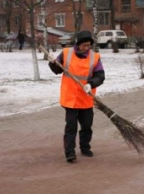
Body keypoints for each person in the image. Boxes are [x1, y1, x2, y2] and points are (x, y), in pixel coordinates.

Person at [48, 30, 105, 163]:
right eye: (84, 45)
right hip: (70, 98)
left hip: (86, 97)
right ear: (77, 44)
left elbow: (100, 76)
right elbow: (57, 69)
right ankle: (70, 152)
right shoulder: (67, 53)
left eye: (88, 45)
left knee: (86, 126)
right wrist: (52, 63)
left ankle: (85, 147)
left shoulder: (94, 57)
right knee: (71, 126)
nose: (87, 47)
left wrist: (91, 84)